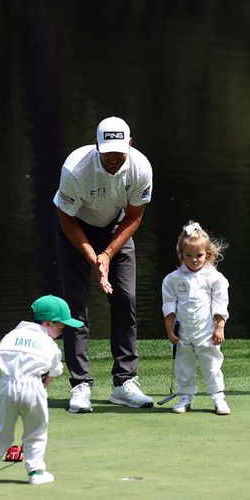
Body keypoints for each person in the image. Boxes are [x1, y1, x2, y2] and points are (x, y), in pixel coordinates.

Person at [54, 116, 154, 412]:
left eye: (119, 151)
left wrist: (108, 254)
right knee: (76, 306)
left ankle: (124, 383)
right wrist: (92, 256)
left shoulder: (140, 167)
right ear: (96, 145)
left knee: (126, 298)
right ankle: (80, 384)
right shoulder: (76, 168)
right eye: (107, 151)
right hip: (76, 228)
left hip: (116, 228)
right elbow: (65, 217)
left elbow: (135, 217)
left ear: (130, 145)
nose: (113, 158)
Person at [0, 295, 75, 485]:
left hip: (6, 386)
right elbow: (54, 370)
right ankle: (36, 472)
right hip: (32, 386)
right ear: (47, 323)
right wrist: (43, 387)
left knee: (2, 430)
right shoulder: (50, 345)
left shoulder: (11, 335)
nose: (62, 332)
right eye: (60, 326)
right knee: (36, 431)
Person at [161, 221, 231, 415]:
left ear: (207, 254)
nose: (194, 260)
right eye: (188, 256)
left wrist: (219, 326)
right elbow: (168, 306)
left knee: (212, 364)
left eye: (199, 255)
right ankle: (185, 396)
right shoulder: (172, 279)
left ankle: (218, 397)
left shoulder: (215, 278)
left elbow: (220, 303)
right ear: (181, 255)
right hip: (182, 331)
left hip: (207, 331)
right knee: (183, 364)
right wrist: (169, 329)